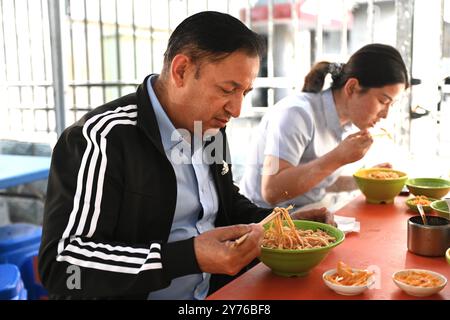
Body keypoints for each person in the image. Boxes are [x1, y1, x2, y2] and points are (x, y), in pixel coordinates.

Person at [38, 11, 332, 300]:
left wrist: (282, 225)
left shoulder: (210, 129)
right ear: (181, 71)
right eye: (228, 89)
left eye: (244, 92)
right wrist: (186, 257)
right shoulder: (102, 139)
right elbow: (62, 266)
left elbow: (225, 204)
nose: (237, 109)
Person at [240, 43, 409, 209]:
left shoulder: (346, 124)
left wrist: (367, 180)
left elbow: (315, 184)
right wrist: (338, 157)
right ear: (352, 88)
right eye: (383, 101)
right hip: (264, 220)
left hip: (306, 211)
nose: (386, 114)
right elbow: (271, 192)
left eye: (391, 105)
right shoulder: (296, 114)